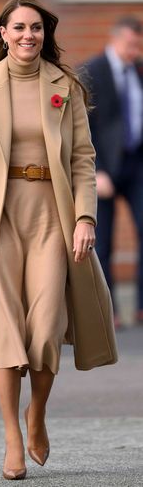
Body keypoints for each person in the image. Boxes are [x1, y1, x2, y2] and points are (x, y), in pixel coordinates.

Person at [0, 0, 117, 481]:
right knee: (3, 325)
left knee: (44, 327)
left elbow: (83, 158)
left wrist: (86, 217)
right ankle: (11, 440)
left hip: (51, 217)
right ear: (3, 33)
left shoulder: (66, 86)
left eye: (36, 27)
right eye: (18, 27)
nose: (28, 35)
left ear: (46, 32)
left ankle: (35, 414)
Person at [81, 17, 143, 326]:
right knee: (102, 241)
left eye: (138, 46)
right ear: (116, 39)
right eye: (130, 45)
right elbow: (83, 126)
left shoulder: (139, 70)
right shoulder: (91, 72)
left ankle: (141, 308)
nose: (134, 51)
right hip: (103, 168)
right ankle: (110, 311)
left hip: (136, 165)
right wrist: (97, 169)